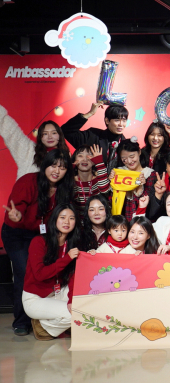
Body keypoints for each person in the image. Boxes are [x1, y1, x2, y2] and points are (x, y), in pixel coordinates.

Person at [2, 149, 74, 336]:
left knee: (45, 269)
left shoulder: (64, 189)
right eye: (53, 165)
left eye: (62, 167)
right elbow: (15, 210)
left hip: (42, 235)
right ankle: (21, 322)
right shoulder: (28, 181)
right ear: (44, 165)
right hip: (17, 233)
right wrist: (16, 217)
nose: (57, 171)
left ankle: (44, 313)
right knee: (24, 271)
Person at [21, 204, 80, 340]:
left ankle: (51, 320)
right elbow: (40, 274)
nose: (67, 222)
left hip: (57, 292)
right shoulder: (39, 241)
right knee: (74, 315)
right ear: (54, 220)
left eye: (71, 218)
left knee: (81, 306)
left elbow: (73, 277)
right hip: (35, 298)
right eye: (62, 217)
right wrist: (66, 259)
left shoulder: (71, 245)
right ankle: (43, 328)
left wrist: (71, 301)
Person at [0, 105, 71, 179]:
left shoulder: (67, 158)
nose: (50, 137)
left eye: (53, 133)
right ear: (40, 137)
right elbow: (10, 131)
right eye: (45, 134)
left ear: (60, 135)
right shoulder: (29, 152)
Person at [62, 102, 127, 166]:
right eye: (117, 120)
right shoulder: (92, 136)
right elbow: (66, 131)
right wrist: (90, 113)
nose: (121, 124)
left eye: (124, 120)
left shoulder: (128, 145)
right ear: (107, 120)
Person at [111, 138, 157, 221]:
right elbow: (112, 199)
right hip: (121, 221)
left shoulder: (149, 173)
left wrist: (140, 187)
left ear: (139, 152)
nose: (129, 161)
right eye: (124, 159)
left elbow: (150, 202)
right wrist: (111, 182)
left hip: (143, 220)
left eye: (132, 156)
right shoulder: (119, 172)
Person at [72, 144, 110, 215]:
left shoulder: (100, 176)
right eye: (80, 156)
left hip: (97, 218)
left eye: (89, 156)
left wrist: (99, 161)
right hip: (77, 219)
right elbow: (66, 196)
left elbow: (105, 190)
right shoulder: (71, 180)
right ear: (74, 159)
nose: (85, 159)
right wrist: (69, 169)